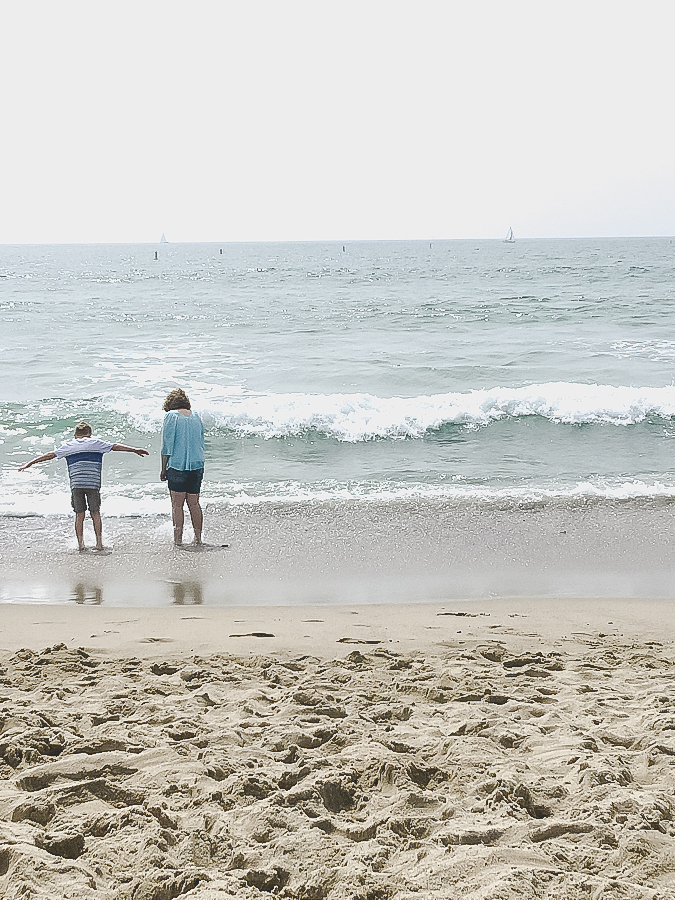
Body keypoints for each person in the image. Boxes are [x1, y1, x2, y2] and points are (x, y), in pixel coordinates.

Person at [19, 421, 149, 551]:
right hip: (93, 483)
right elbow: (116, 446)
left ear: (75, 435)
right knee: (95, 513)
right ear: (89, 433)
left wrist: (30, 463)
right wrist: (135, 450)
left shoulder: (68, 446)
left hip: (77, 484)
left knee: (79, 515)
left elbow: (49, 455)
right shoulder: (96, 443)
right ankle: (99, 544)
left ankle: (81, 545)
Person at [160, 389, 205, 547]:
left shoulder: (171, 416)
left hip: (178, 465)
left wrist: (163, 468)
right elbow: (200, 440)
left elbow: (167, 446)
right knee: (194, 503)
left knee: (177, 505)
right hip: (197, 464)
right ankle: (198, 538)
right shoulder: (196, 416)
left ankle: (178, 540)